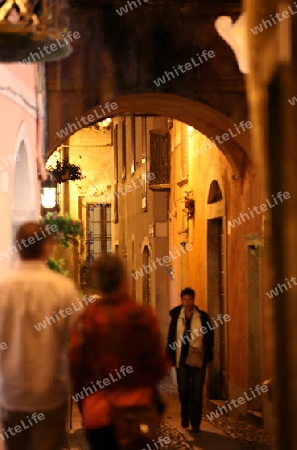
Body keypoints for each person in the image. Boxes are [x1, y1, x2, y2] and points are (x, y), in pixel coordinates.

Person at [69, 253, 168, 450]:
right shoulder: (142, 315)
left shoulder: (86, 319)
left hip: (98, 414)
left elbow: (75, 367)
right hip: (136, 411)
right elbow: (159, 366)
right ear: (124, 280)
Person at [0, 222, 79, 450]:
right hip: (50, 393)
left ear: (17, 247)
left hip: (11, 393)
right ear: (46, 248)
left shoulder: (3, 288)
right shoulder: (63, 288)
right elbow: (78, 340)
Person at [166, 287, 214, 432]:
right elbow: (171, 337)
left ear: (194, 300)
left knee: (197, 391)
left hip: (198, 357)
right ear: (182, 300)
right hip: (181, 358)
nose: (187, 302)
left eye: (190, 299)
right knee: (184, 389)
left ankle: (196, 421)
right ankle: (185, 415)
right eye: (185, 299)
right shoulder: (176, 318)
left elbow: (210, 337)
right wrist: (169, 356)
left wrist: (207, 355)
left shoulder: (202, 317)